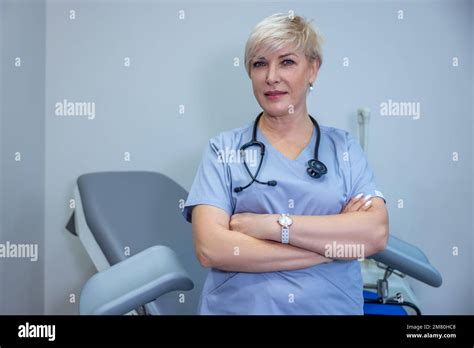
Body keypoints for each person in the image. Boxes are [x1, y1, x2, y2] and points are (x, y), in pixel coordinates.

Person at [182, 13, 389, 315]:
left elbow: (374, 234)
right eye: (259, 63)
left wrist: (268, 225)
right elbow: (211, 248)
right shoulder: (223, 150)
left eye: (287, 62)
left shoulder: (343, 148)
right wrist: (330, 251)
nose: (271, 77)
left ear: (313, 70)